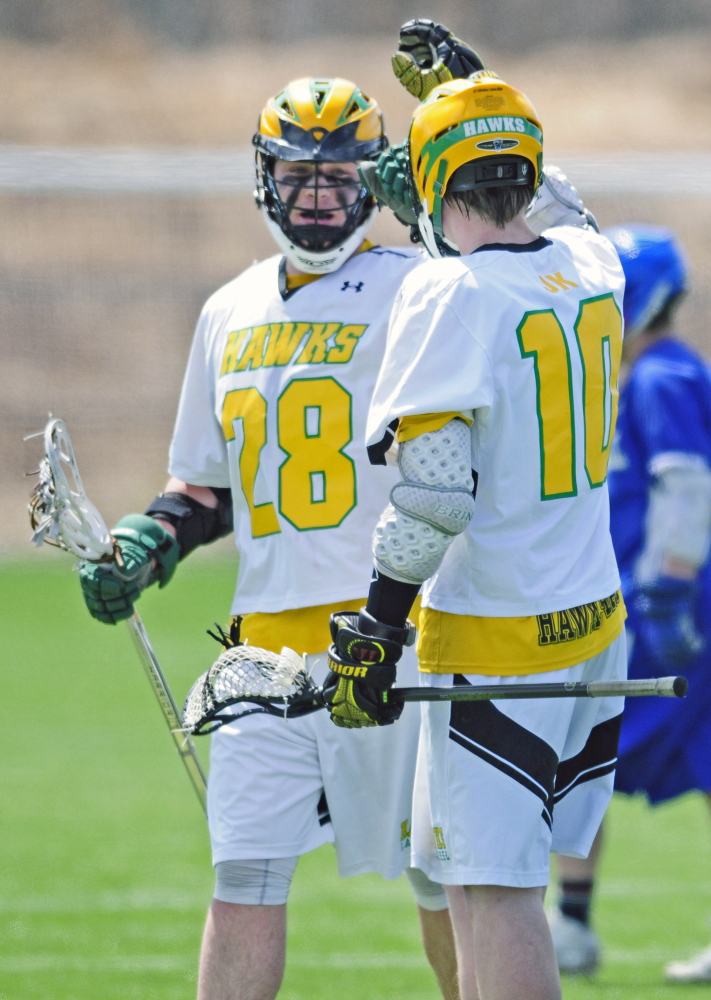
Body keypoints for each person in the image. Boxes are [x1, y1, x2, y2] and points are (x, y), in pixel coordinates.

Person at [75, 71, 472, 1000]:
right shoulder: (228, 308)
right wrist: (149, 542)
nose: (322, 197)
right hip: (262, 652)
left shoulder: (421, 290)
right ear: (265, 179)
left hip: (397, 637)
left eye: (343, 178)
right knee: (243, 878)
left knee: (444, 882)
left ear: (374, 181)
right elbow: (204, 488)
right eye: (302, 177)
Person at [320, 71, 627, 1000]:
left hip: (498, 635)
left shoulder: (448, 292)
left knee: (495, 894)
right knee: (464, 880)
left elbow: (435, 497)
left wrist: (375, 625)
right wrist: (471, 84)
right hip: (590, 624)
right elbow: (562, 202)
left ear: (426, 178)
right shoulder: (589, 265)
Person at [549, 225, 711, 983]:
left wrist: (667, 590)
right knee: (582, 757)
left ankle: (570, 925)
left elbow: (686, 487)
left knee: (586, 753)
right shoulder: (629, 378)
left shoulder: (661, 378)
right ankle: (569, 925)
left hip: (665, 609)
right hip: (625, 605)